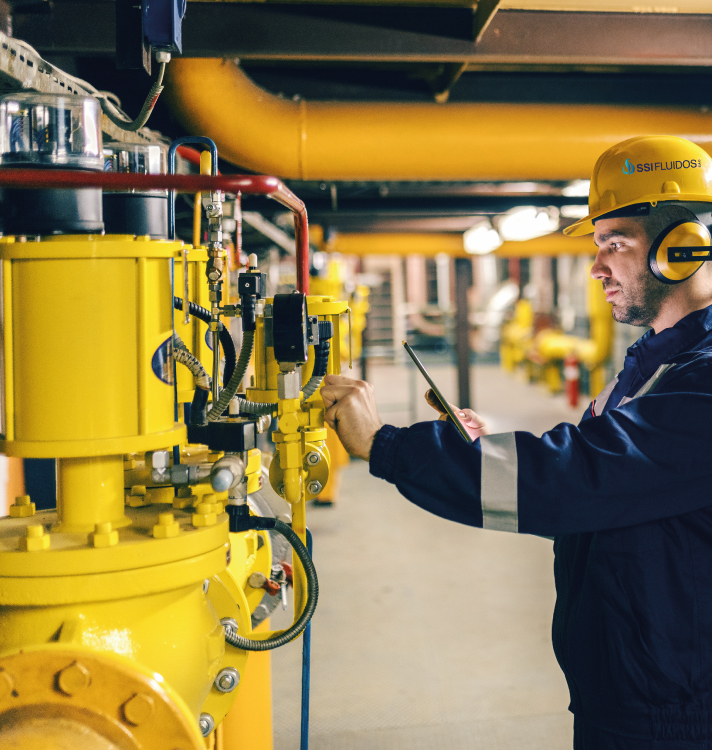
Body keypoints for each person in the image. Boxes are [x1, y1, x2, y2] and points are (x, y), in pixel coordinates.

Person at [320, 135, 712, 749]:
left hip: (677, 709)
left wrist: (387, 445)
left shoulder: (705, 376)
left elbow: (579, 480)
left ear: (682, 249)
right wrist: (481, 448)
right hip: (636, 678)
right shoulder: (654, 362)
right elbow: (611, 482)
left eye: (615, 243)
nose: (598, 266)